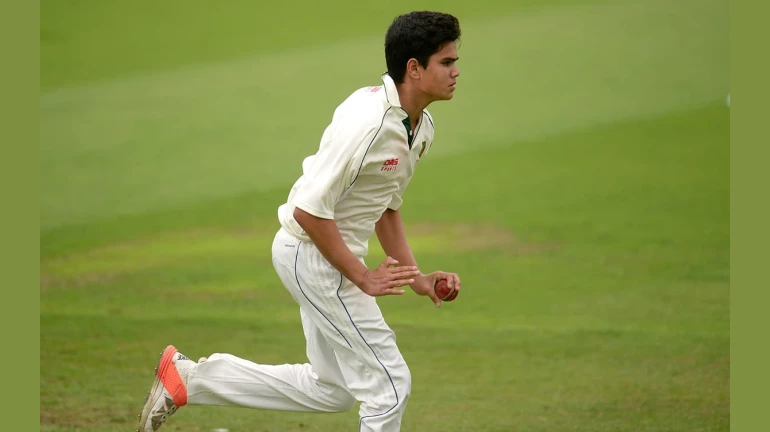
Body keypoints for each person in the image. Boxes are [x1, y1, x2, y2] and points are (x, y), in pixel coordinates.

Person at [138, 10, 462, 432]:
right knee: (390, 385)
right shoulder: (369, 123)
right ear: (414, 69)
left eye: (456, 61)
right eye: (447, 62)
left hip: (324, 255)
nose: (457, 72)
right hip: (312, 254)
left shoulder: (420, 128)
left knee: (334, 389)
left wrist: (415, 277)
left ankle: (191, 380)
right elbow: (308, 210)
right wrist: (362, 275)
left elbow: (386, 206)